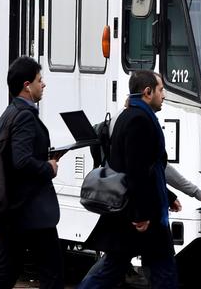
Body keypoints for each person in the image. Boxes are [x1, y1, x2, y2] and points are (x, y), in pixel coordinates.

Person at [79, 70, 179, 289]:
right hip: (138, 216)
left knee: (125, 268)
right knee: (123, 269)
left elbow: (147, 168)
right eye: (161, 90)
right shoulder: (139, 120)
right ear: (147, 92)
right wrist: (141, 214)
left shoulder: (131, 115)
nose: (164, 95)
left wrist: (168, 196)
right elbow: (137, 170)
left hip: (137, 212)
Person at [0, 56, 63, 289]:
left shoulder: (8, 114)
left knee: (3, 275)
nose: (43, 85)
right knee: (52, 275)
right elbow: (21, 161)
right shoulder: (24, 117)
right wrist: (48, 168)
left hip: (12, 211)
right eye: (39, 80)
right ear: (27, 85)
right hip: (31, 211)